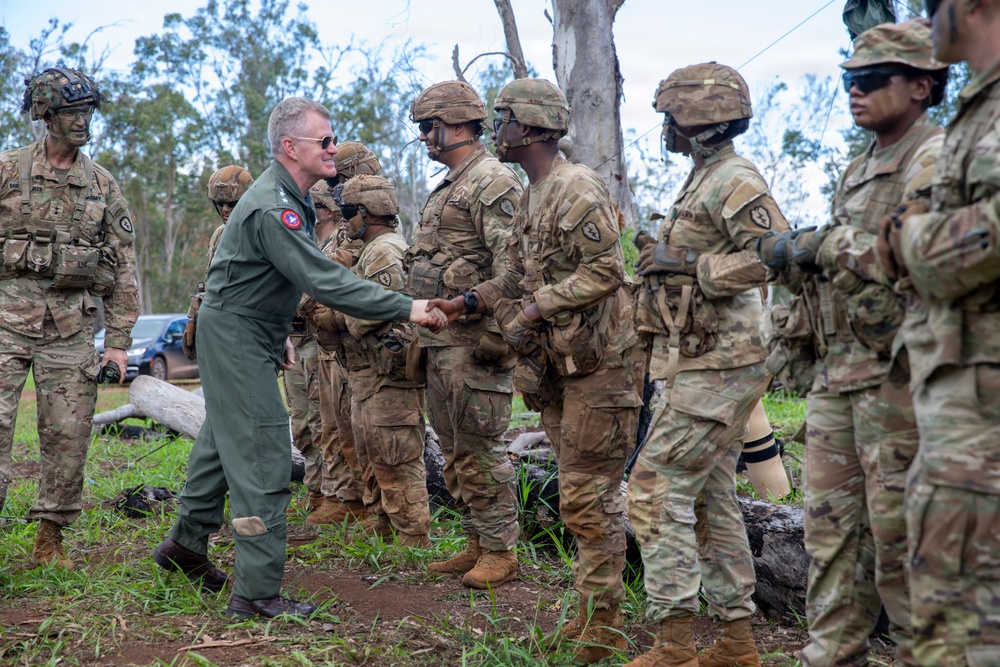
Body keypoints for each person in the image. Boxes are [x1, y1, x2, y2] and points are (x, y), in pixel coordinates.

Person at [152, 97, 445, 620]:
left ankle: (185, 548)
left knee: (222, 438)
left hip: (246, 330)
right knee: (263, 452)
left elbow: (257, 276)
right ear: (291, 147)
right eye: (324, 141)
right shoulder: (274, 205)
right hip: (237, 334)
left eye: (333, 139)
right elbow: (324, 279)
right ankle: (257, 593)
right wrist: (411, 307)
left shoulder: (290, 194)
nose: (334, 148)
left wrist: (274, 329)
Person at [431, 78, 641, 664]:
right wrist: (467, 302)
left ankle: (603, 624)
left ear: (530, 125)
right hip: (560, 368)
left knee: (588, 495)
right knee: (580, 494)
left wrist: (532, 310)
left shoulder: (575, 187)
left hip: (604, 368)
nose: (495, 129)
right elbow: (520, 275)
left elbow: (607, 271)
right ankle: (590, 614)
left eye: (502, 118)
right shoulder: (531, 194)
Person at [758, 20, 947, 667]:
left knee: (905, 543)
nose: (853, 92)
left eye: (870, 80)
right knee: (830, 533)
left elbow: (927, 259)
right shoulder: (858, 167)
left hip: (904, 378)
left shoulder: (936, 158)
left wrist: (828, 244)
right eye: (848, 80)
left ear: (922, 85)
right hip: (841, 374)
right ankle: (831, 653)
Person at [627, 63, 790, 667]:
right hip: (700, 358)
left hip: (727, 360)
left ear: (700, 120)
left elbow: (777, 254)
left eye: (671, 115)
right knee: (708, 496)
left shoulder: (735, 178)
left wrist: (693, 268)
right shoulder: (703, 177)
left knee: (652, 487)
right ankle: (735, 642)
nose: (664, 126)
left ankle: (674, 644)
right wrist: (662, 260)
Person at [878, 1, 1000, 664]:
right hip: (959, 392)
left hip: (983, 402)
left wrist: (915, 235)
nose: (928, 22)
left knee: (967, 616)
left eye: (933, 6)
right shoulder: (975, 113)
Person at [0, 68, 139, 570]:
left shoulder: (101, 184)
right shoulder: (7, 171)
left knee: (69, 435)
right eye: (71, 113)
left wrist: (119, 339)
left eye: (88, 113)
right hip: (4, 324)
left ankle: (49, 541)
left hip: (71, 329)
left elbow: (123, 264)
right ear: (46, 116)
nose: (82, 123)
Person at [406, 81, 523, 588]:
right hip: (442, 344)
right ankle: (478, 541)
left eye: (430, 127)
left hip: (476, 345)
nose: (427, 138)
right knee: (455, 451)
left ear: (456, 123)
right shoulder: (449, 184)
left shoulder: (492, 182)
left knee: (482, 449)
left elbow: (515, 268)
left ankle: (502, 551)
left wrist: (500, 336)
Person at [327, 174, 433, 547]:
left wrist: (333, 315)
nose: (344, 221)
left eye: (348, 213)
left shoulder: (385, 250)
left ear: (366, 213)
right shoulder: (369, 250)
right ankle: (383, 522)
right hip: (367, 374)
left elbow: (374, 310)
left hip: (389, 377)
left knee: (396, 458)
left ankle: (412, 537)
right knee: (372, 454)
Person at [298, 141, 382, 526]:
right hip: (329, 339)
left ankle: (371, 504)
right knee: (331, 425)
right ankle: (346, 495)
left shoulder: (374, 223)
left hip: (358, 340)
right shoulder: (346, 230)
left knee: (364, 429)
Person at [182, 166, 254, 360]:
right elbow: (211, 283)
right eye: (220, 204)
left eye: (232, 204)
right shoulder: (219, 234)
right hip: (217, 327)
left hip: (247, 330)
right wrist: (193, 318)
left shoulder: (258, 233)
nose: (225, 210)